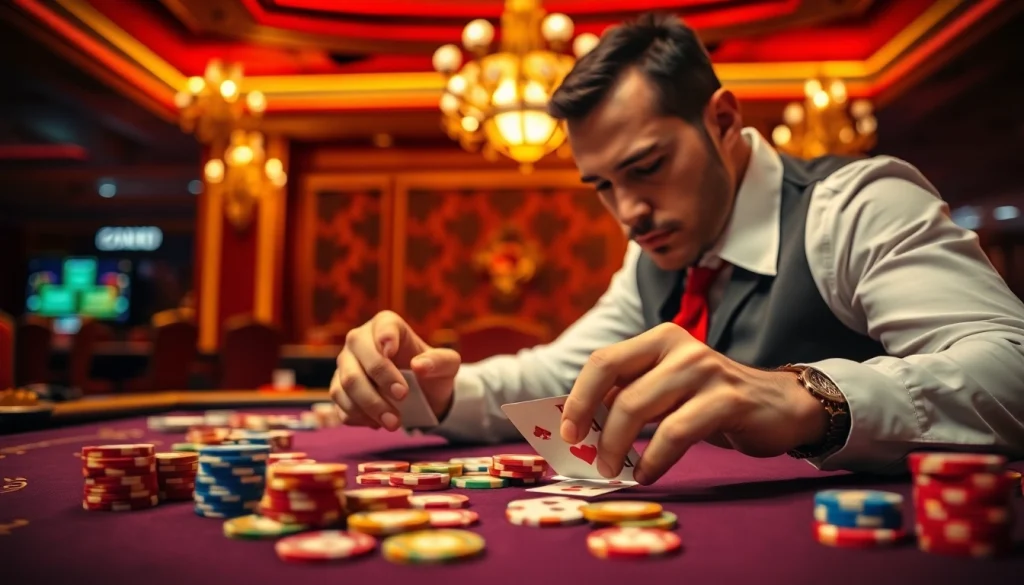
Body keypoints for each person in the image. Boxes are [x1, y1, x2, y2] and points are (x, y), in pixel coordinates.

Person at [331, 13, 1024, 484]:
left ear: (723, 119)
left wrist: (806, 395)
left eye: (647, 166)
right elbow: (563, 374)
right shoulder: (656, 256)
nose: (628, 212)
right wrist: (438, 389)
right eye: (603, 185)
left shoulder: (858, 206)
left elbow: (1012, 369)